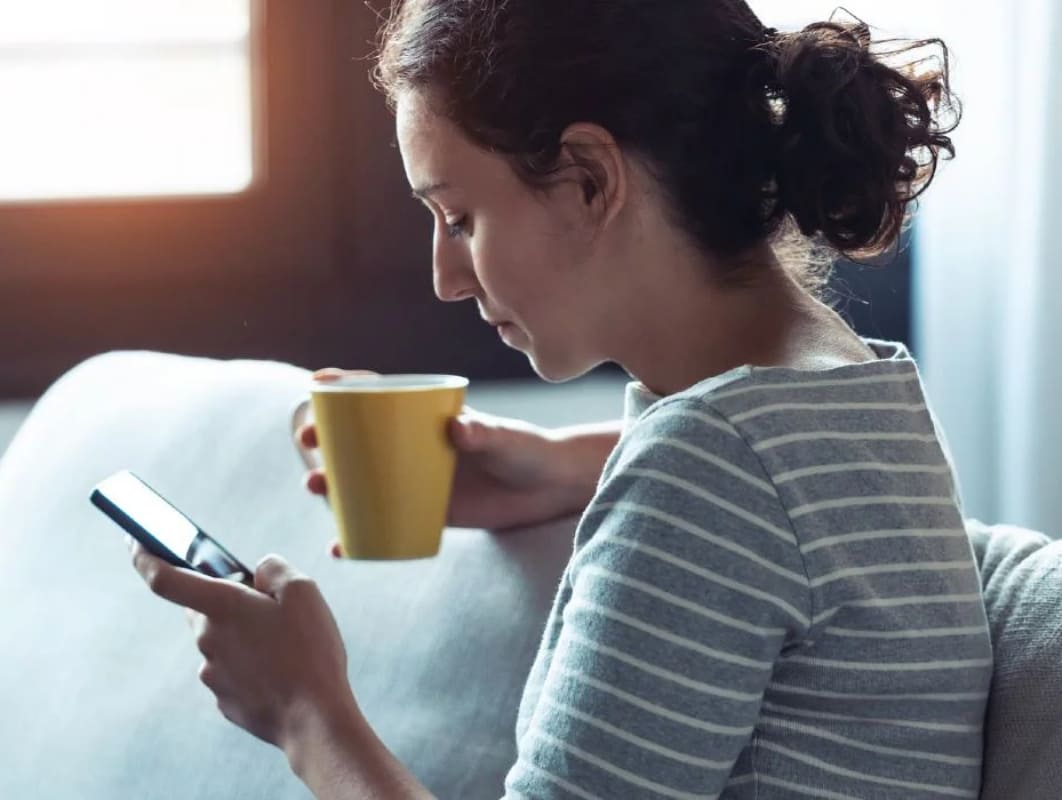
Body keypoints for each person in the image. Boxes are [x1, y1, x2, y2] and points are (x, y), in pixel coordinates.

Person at [128, 1, 989, 797]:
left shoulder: (709, 472)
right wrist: (573, 470)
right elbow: (786, 511)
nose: (443, 278)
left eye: (460, 218)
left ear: (588, 179)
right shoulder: (870, 393)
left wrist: (305, 714)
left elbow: (725, 489)